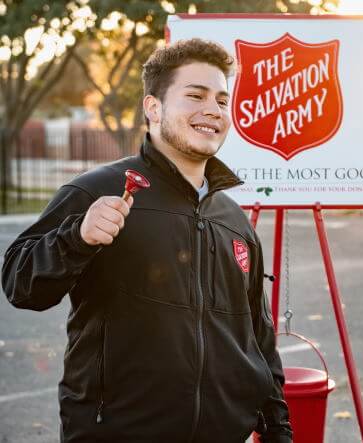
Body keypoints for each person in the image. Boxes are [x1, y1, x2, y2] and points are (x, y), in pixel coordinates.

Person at [2, 38, 292, 443]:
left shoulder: (234, 219)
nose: (213, 109)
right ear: (153, 108)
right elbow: (20, 283)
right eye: (195, 95)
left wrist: (278, 430)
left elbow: (258, 339)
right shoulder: (97, 191)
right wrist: (77, 237)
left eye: (222, 100)